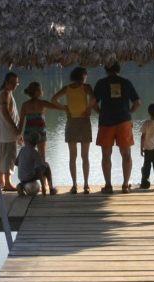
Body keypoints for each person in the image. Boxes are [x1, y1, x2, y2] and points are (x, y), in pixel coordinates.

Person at [92, 62, 140, 193]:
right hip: (124, 122)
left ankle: (108, 185)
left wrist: (100, 112)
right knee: (126, 154)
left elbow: (92, 103)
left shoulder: (101, 83)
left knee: (106, 155)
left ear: (106, 69)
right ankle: (125, 185)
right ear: (119, 69)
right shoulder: (126, 82)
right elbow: (137, 103)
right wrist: (129, 112)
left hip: (106, 122)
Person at [50, 66, 96, 194]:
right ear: (83, 76)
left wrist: (65, 108)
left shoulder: (67, 88)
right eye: (85, 75)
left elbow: (53, 100)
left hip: (71, 122)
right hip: (84, 121)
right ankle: (86, 185)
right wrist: (88, 109)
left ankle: (74, 185)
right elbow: (93, 99)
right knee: (85, 156)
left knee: (72, 156)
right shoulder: (87, 87)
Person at [19, 81, 65, 166]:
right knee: (42, 159)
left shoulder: (25, 105)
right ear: (37, 92)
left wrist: (19, 135)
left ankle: (30, 177)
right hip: (40, 133)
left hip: (28, 133)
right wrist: (67, 108)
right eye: (41, 90)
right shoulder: (43, 103)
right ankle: (43, 178)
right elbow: (58, 108)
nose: (43, 91)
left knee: (29, 158)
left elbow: (21, 121)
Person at [0, 72, 21, 192]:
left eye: (16, 83)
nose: (15, 85)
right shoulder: (5, 94)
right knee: (9, 157)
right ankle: (8, 183)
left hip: (4, 132)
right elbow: (5, 112)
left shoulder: (6, 93)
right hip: (8, 131)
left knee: (2, 156)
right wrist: (15, 129)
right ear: (6, 82)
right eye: (13, 82)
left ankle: (1, 181)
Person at [15, 131, 54, 196]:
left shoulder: (22, 149)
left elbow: (15, 162)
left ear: (28, 141)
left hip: (21, 177)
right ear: (37, 143)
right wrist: (43, 187)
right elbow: (38, 170)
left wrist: (24, 166)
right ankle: (51, 189)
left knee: (27, 176)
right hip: (30, 176)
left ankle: (21, 185)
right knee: (46, 166)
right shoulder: (35, 153)